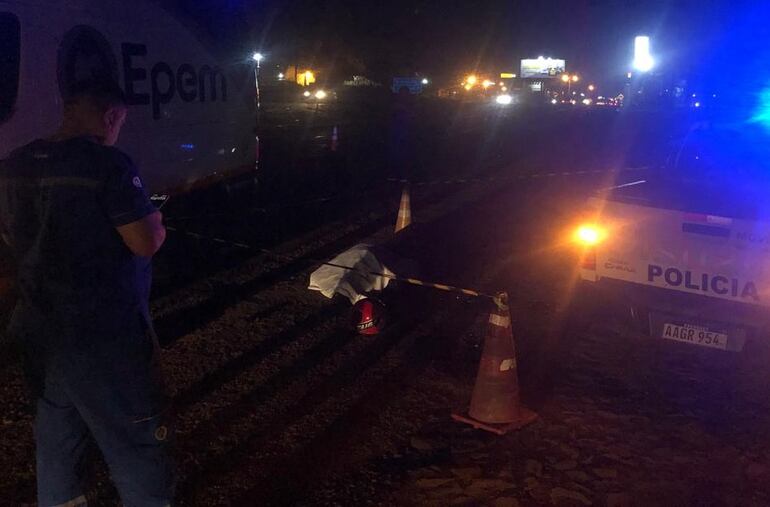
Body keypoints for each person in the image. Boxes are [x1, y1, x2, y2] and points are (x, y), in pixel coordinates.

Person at [0, 81, 173, 506]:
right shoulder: (106, 164)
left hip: (40, 331)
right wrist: (157, 222)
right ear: (111, 116)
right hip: (103, 337)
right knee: (137, 447)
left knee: (58, 447)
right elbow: (143, 241)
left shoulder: (13, 164)